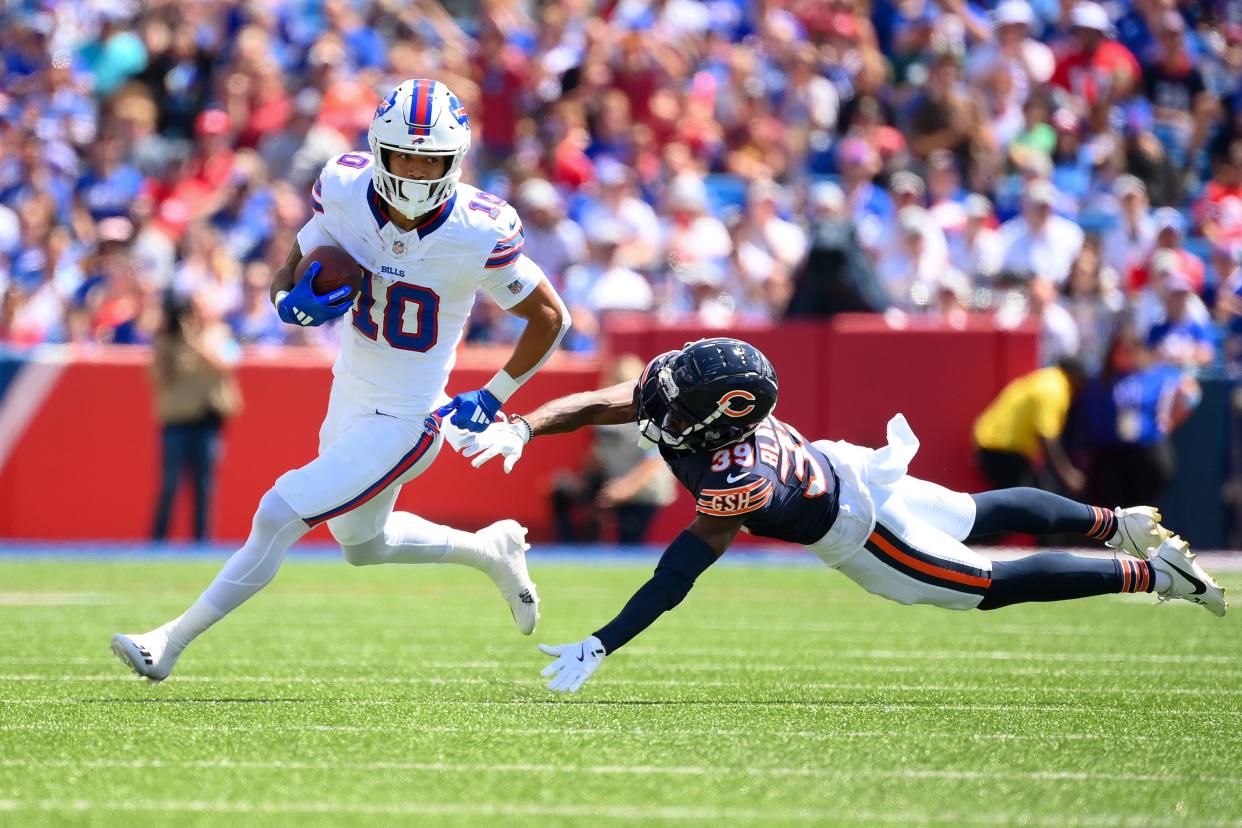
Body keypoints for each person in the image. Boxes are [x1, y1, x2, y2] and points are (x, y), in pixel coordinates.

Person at [111, 79, 571, 682]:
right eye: (403, 154)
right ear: (378, 149)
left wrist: (495, 395)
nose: (413, 170)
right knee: (363, 544)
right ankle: (489, 550)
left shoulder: (479, 227)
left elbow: (550, 316)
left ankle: (166, 643)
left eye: (430, 159)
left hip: (411, 416)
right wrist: (287, 301)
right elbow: (291, 266)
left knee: (278, 513)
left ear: (455, 160)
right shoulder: (346, 187)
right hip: (350, 390)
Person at [463, 338, 1226, 693]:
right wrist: (526, 425)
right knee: (971, 508)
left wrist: (604, 643)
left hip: (857, 527)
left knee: (986, 581)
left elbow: (680, 571)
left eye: (670, 400)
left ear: (713, 422)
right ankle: (1117, 520)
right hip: (846, 464)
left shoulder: (737, 477)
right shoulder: (702, 412)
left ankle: (1150, 569)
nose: (651, 402)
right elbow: (606, 401)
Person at [150, 293, 243, 541]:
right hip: (177, 420)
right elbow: (158, 377)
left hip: (208, 419)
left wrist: (195, 343)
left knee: (205, 484)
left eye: (201, 309)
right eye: (193, 309)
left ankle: (201, 540)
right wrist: (167, 338)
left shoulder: (221, 334)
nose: (196, 314)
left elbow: (228, 363)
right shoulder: (170, 339)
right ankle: (157, 540)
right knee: (170, 483)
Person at [973, 358, 1088, 494]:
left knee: (1027, 499)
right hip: (1002, 450)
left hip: (997, 447)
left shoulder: (1046, 378)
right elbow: (1046, 437)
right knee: (1025, 503)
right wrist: (1067, 475)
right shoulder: (1055, 389)